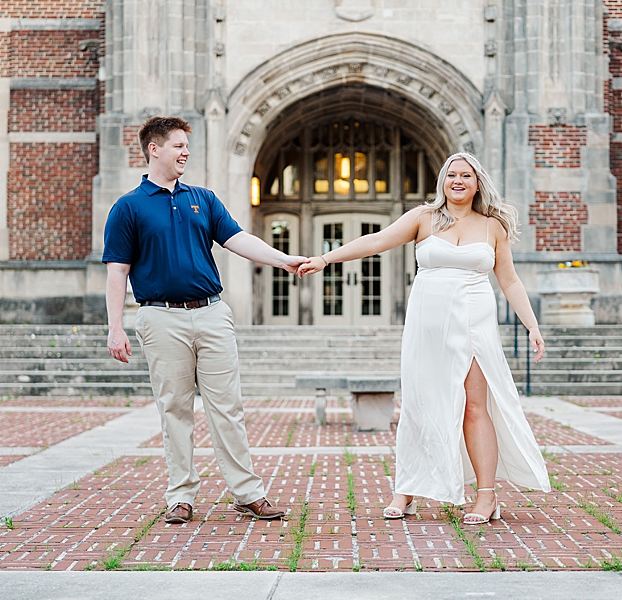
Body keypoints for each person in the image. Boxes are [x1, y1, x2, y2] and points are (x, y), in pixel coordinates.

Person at [299, 152, 550, 524]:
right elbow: (376, 241)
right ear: (442, 182)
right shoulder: (423, 218)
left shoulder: (492, 226)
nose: (458, 181)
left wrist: (532, 325)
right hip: (427, 326)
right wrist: (325, 259)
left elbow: (509, 280)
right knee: (419, 405)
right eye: (452, 175)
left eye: (466, 175)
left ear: (477, 182)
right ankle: (406, 491)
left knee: (474, 407)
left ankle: (486, 496)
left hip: (475, 324)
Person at [103, 116, 307, 524]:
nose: (185, 152)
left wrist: (283, 260)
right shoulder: (128, 207)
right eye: (178, 145)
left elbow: (238, 240)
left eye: (187, 146)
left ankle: (247, 493)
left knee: (227, 407)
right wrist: (115, 326)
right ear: (153, 149)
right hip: (160, 319)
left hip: (212, 313)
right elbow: (116, 271)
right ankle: (180, 496)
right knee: (174, 408)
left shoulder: (204, 198)